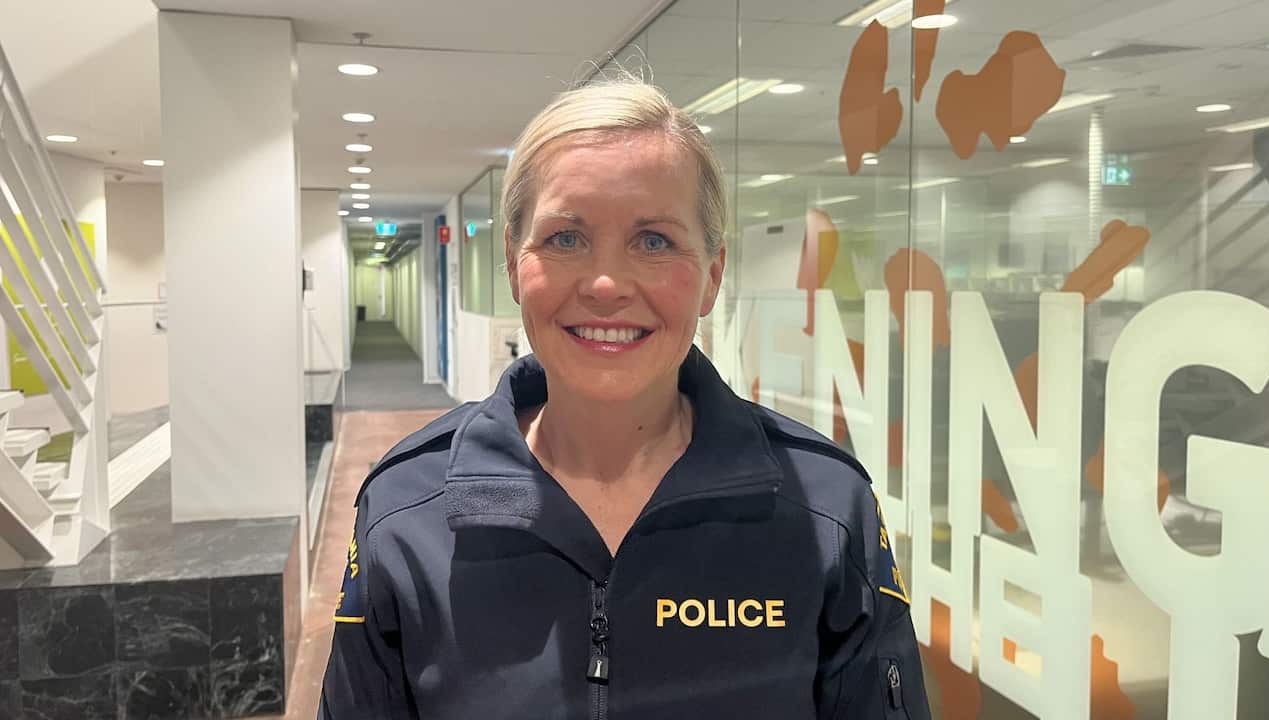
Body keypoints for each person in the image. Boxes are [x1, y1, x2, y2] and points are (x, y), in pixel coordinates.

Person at [318, 77, 932, 719]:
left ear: (712, 276)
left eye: (655, 241)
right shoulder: (405, 511)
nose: (606, 283)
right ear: (513, 262)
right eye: (565, 238)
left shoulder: (825, 512)